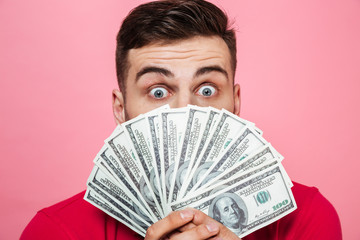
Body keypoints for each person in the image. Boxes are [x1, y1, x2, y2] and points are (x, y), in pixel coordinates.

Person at [21, 0, 342, 239]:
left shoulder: (306, 218)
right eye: (158, 92)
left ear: (235, 103)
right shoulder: (55, 231)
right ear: (121, 109)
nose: (183, 110)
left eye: (207, 88)